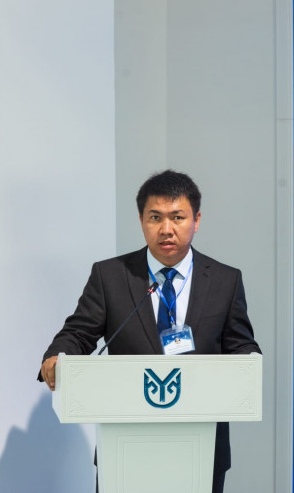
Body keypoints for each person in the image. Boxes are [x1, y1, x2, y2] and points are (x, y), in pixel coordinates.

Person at [39, 170, 261, 493]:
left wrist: (249, 362)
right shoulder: (110, 276)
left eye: (177, 217)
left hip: (201, 447)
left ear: (196, 220)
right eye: (155, 217)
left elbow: (240, 344)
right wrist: (58, 355)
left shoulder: (226, 280)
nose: (166, 229)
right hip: (126, 446)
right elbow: (78, 332)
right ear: (141, 220)